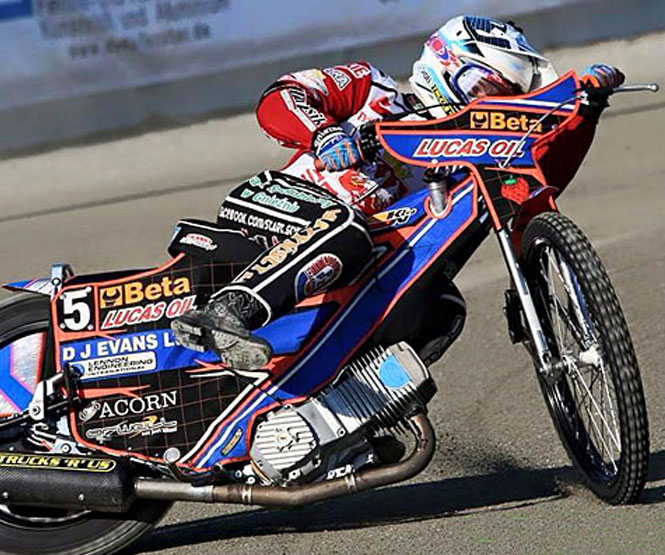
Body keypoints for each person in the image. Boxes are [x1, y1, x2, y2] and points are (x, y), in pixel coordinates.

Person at [172, 15, 624, 369]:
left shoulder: (472, 165)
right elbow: (281, 95)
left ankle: (351, 416)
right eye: (483, 88)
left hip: (358, 260)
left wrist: (585, 112)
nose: (488, 104)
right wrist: (325, 134)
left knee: (442, 307)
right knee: (346, 230)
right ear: (445, 64)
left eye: (503, 97)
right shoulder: (373, 88)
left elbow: (540, 180)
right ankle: (225, 313)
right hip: (270, 205)